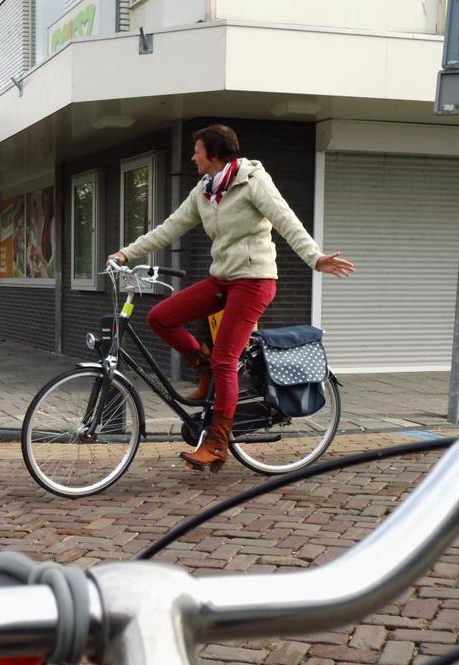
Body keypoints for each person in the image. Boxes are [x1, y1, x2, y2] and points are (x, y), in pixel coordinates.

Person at [112, 124, 354, 473]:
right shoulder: (205, 191)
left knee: (227, 358)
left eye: (197, 151)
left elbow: (285, 220)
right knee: (161, 317)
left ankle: (217, 442)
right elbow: (169, 228)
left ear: (214, 154)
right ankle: (203, 368)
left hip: (254, 280)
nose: (192, 157)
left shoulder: (252, 181)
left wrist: (315, 257)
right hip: (223, 278)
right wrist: (125, 253)